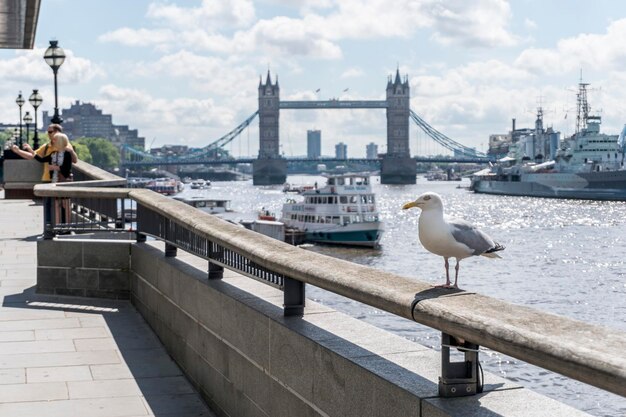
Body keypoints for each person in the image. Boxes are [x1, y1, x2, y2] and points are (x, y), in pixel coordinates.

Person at [11, 124, 77, 182]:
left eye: (50, 132)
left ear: (57, 132)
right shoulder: (47, 146)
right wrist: (18, 151)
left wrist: (71, 151)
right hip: (48, 178)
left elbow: (73, 162)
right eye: (47, 132)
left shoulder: (66, 147)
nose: (48, 134)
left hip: (61, 179)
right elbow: (35, 156)